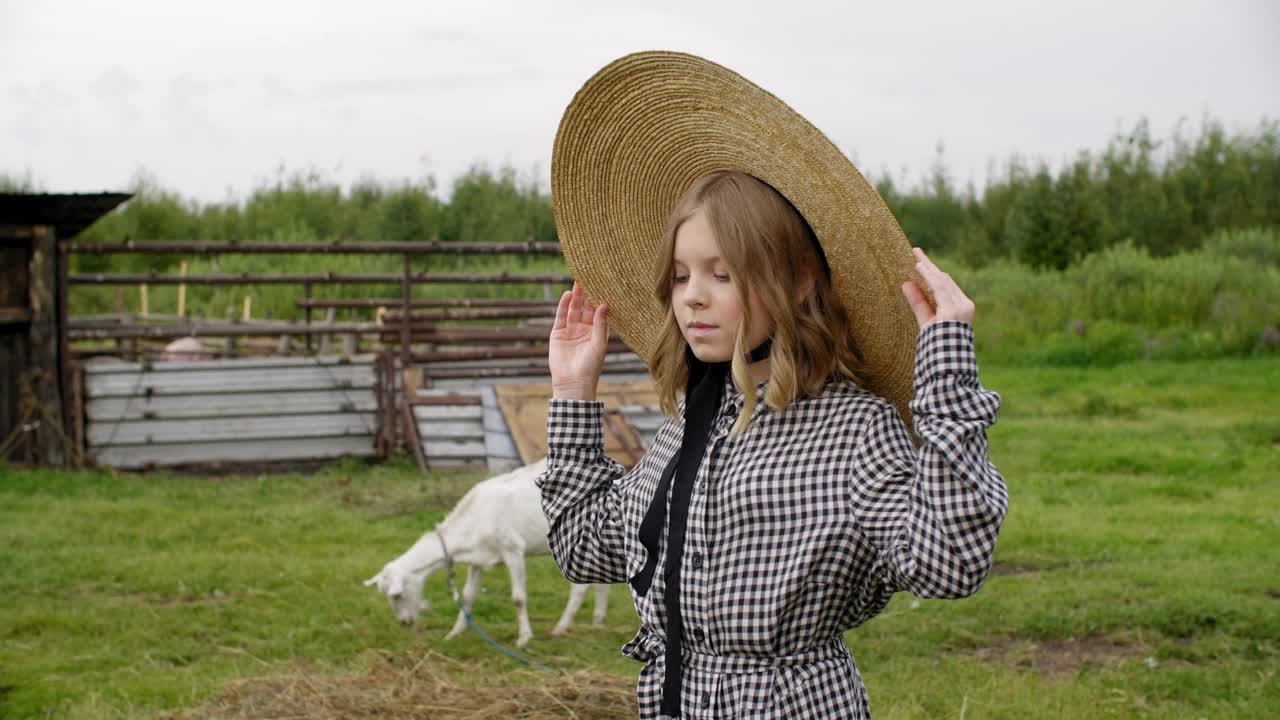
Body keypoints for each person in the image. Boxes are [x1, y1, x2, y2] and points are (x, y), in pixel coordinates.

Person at [537, 53, 1007, 719]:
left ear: (800, 280)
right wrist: (573, 395)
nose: (693, 298)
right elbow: (586, 549)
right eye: (680, 275)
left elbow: (949, 563)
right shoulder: (685, 434)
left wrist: (948, 370)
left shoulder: (852, 432)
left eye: (721, 274)